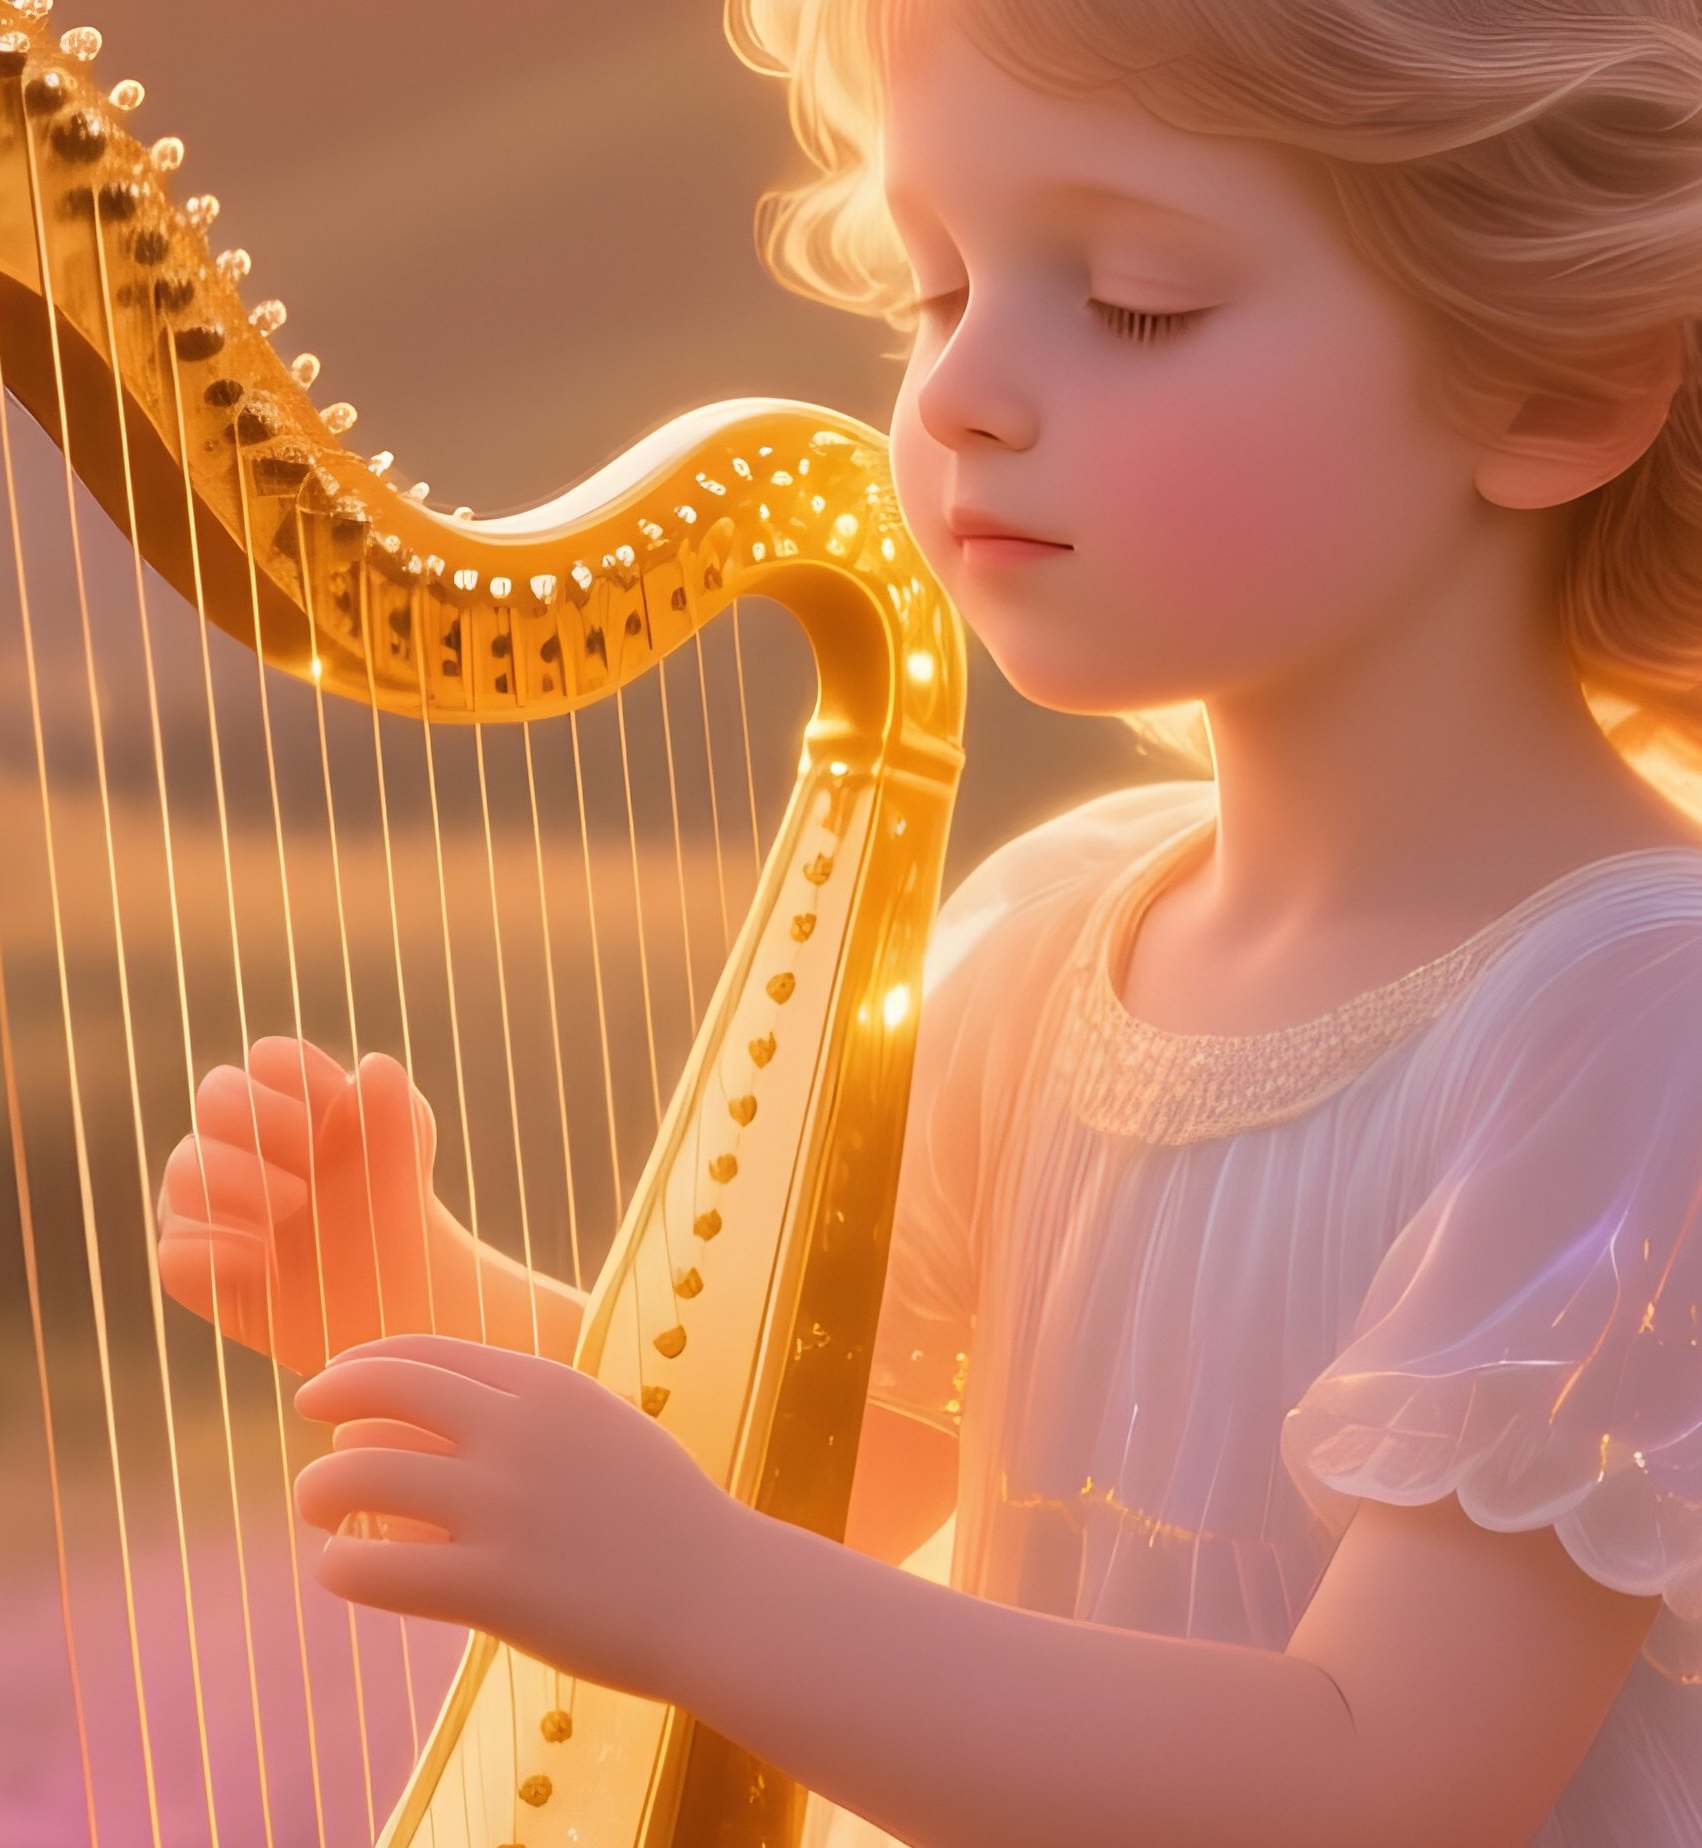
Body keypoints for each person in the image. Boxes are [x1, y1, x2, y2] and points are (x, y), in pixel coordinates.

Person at [158, 2, 1702, 1841]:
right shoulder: (1047, 934)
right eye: (937, 287)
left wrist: (698, 1597)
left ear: (1557, 390)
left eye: (1134, 299)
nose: (964, 386)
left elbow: (1382, 1775)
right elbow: (820, 1465)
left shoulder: (1633, 1022)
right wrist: (416, 1293)